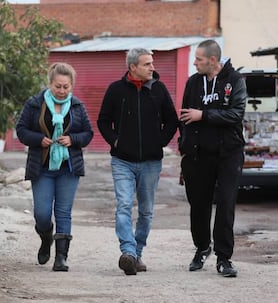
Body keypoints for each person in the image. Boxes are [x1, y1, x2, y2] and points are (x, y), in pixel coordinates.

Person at [97, 48, 178, 275]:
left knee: (146, 211)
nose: (153, 67)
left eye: (152, 63)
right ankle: (128, 252)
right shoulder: (116, 90)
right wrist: (115, 142)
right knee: (124, 205)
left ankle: (137, 252)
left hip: (151, 162)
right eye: (147, 64)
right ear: (133, 67)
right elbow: (103, 121)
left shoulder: (159, 90)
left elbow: (172, 120)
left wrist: (159, 142)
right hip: (122, 161)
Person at [16, 62, 93, 272]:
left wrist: (72, 139)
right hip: (41, 167)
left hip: (68, 167)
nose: (61, 91)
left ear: (71, 87)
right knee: (42, 213)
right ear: (50, 84)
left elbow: (88, 133)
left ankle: (61, 257)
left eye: (66, 87)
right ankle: (45, 237)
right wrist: (39, 139)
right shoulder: (34, 104)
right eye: (58, 86)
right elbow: (21, 130)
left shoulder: (77, 106)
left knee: (63, 211)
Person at [178, 39, 247, 277]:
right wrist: (183, 148)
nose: (194, 63)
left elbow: (236, 114)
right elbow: (185, 118)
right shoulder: (193, 83)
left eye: (198, 59)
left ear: (213, 60)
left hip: (229, 153)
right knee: (199, 204)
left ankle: (224, 257)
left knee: (226, 203)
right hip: (198, 155)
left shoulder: (234, 80)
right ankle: (201, 248)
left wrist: (204, 115)